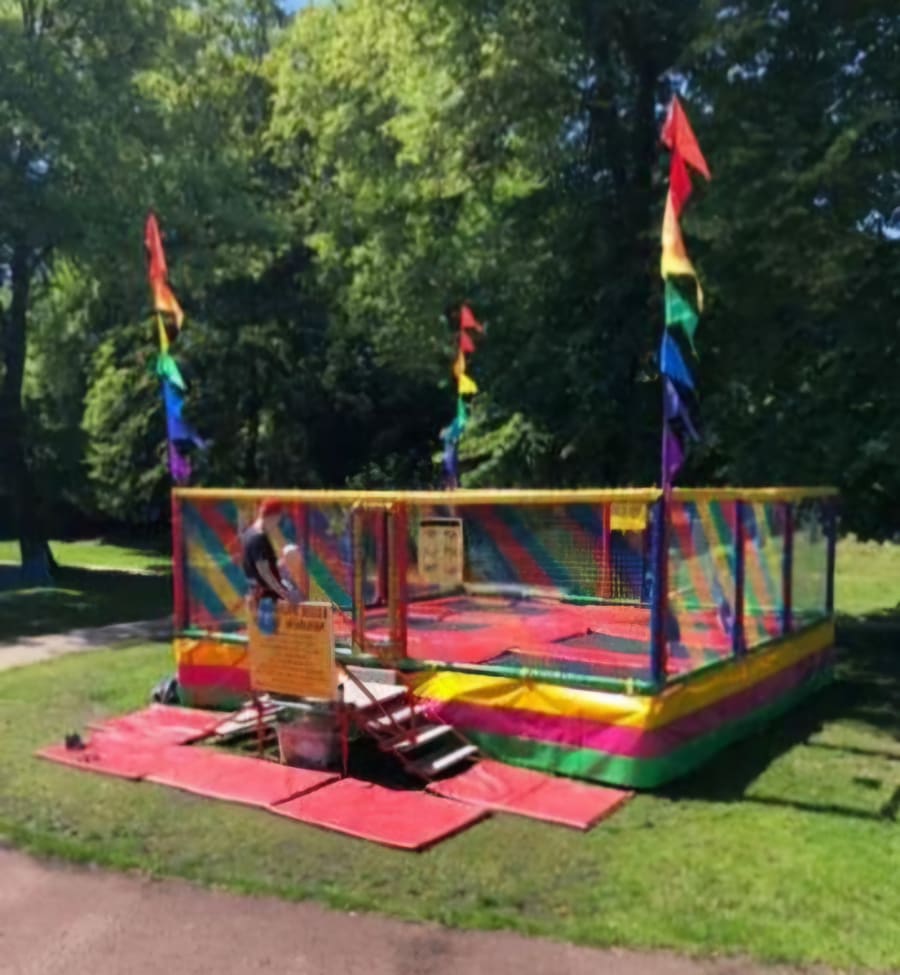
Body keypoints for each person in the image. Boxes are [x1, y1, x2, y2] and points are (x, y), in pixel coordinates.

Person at [240, 499, 298, 603]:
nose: (277, 523)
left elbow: (252, 563)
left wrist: (278, 564)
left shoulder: (249, 533)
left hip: (255, 592)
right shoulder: (259, 537)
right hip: (265, 598)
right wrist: (283, 593)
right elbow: (264, 571)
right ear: (273, 516)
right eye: (279, 518)